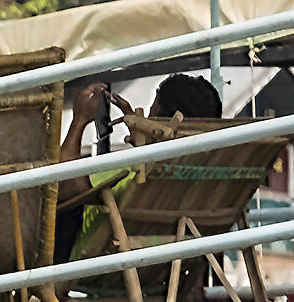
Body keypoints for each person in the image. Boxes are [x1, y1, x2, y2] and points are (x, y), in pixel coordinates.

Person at [53, 72, 223, 264]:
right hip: (167, 268)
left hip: (102, 261)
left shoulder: (135, 177)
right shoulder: (205, 179)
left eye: (151, 116)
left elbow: (65, 188)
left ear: (161, 125)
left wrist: (79, 121)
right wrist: (141, 131)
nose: (147, 119)